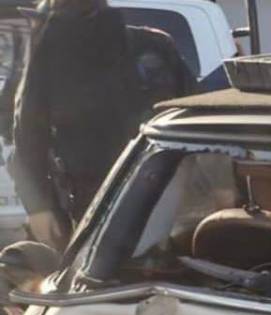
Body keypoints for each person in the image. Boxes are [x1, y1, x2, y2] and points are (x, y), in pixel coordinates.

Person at [10, 0, 193, 248]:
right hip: (99, 201)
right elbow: (27, 139)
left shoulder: (153, 48)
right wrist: (39, 207)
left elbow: (196, 115)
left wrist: (220, 186)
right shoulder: (49, 57)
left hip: (157, 195)